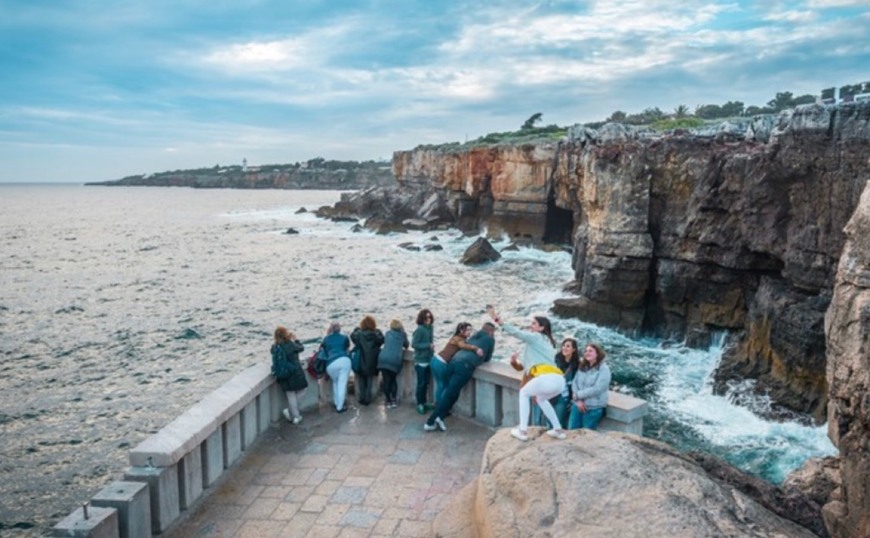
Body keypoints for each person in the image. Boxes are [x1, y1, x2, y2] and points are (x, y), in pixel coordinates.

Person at [490, 310, 567, 441]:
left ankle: (523, 431)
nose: (531, 325)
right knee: (541, 399)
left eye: (534, 323)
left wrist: (500, 322)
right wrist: (515, 362)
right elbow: (526, 368)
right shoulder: (548, 343)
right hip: (559, 381)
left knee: (524, 393)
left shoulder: (536, 337)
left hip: (546, 378)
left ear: (541, 328)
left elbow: (517, 333)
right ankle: (558, 429)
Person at [424, 322, 496, 432]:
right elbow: (487, 358)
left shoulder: (473, 336)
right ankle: (430, 421)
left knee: (452, 394)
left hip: (452, 362)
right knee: (449, 395)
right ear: (491, 332)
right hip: (464, 367)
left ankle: (440, 417)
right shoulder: (490, 339)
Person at [430, 322, 484, 406]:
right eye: (468, 330)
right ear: (461, 330)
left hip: (435, 360)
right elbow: (462, 345)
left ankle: (437, 404)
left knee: (440, 385)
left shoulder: (455, 337)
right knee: (444, 385)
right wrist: (475, 348)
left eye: (470, 330)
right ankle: (440, 407)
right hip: (441, 363)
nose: (469, 332)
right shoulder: (458, 339)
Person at [532, 337, 580, 428]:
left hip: (563, 397)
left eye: (568, 346)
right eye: (563, 346)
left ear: (573, 349)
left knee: (557, 421)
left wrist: (574, 399)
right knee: (541, 420)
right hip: (548, 393)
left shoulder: (576, 365)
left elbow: (577, 383)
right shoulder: (555, 360)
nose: (564, 348)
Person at [568, 343, 611, 430]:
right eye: (586, 351)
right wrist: (578, 400)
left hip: (593, 407)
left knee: (586, 435)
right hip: (578, 405)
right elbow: (575, 382)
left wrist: (578, 395)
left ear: (597, 354)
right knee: (571, 431)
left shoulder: (604, 369)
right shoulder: (583, 366)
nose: (587, 353)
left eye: (590, 351)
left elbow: (598, 389)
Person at [271, 326, 307, 424]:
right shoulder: (290, 344)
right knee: (302, 391)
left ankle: (295, 416)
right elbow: (301, 348)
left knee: (290, 395)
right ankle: (294, 414)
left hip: (283, 375)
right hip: (294, 372)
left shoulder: (275, 347)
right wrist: (296, 340)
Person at [350, 315, 385, 406]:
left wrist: (356, 329)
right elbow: (382, 340)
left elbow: (352, 336)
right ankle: (367, 398)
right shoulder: (375, 335)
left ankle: (361, 398)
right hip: (372, 361)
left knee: (361, 378)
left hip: (361, 360)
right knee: (369, 379)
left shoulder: (359, 335)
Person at [321, 321, 352, 412]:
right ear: (339, 329)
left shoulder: (326, 339)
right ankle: (340, 407)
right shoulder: (344, 337)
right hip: (343, 360)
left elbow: (324, 349)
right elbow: (347, 348)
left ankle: (337, 402)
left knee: (335, 382)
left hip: (330, 364)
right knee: (342, 384)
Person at [378, 319, 409, 408]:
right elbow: (406, 345)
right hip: (394, 360)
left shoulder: (388, 333)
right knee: (393, 380)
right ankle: (394, 400)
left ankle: (388, 401)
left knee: (386, 380)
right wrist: (403, 332)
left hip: (383, 358)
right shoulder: (402, 335)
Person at [411, 308, 435, 414]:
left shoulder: (430, 328)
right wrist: (427, 346)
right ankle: (419, 403)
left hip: (428, 359)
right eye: (426, 317)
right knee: (421, 383)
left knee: (426, 383)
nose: (428, 319)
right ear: (422, 318)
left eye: (429, 317)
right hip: (420, 361)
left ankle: (424, 402)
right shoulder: (420, 329)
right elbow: (414, 344)